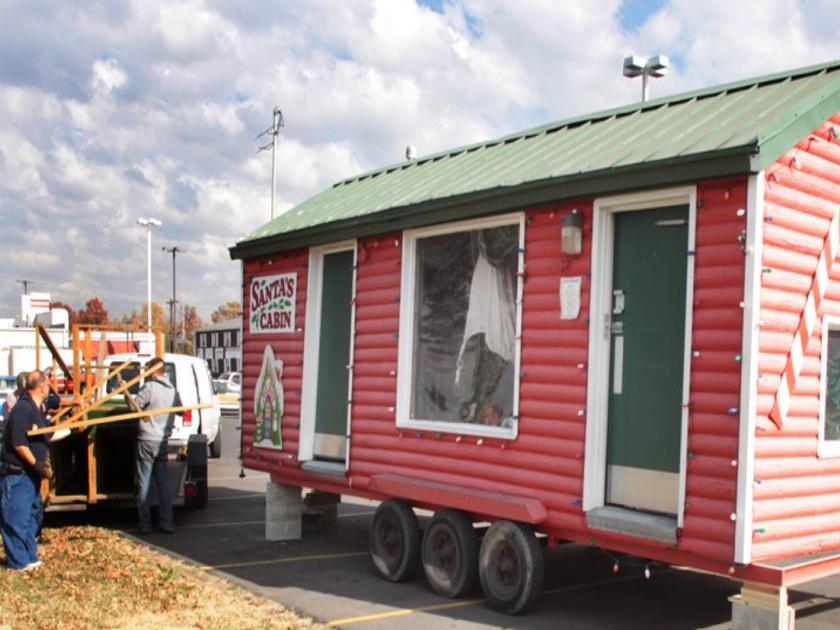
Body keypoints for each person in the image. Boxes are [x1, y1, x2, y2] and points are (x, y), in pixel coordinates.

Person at [0, 370, 52, 570]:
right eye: (48, 384)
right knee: (16, 518)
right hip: (17, 474)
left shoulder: (36, 408)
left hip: (29, 476)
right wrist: (35, 464)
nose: (49, 388)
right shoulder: (23, 408)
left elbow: (39, 435)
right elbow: (19, 443)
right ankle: (18, 561)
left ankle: (30, 557)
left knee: (31, 517)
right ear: (41, 387)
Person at [127, 357, 179, 535]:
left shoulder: (148, 387)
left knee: (144, 483)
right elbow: (179, 409)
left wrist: (129, 398)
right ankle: (167, 522)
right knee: (163, 483)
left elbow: (134, 409)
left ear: (152, 370)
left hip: (146, 439)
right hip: (162, 440)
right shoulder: (172, 390)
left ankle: (145, 524)